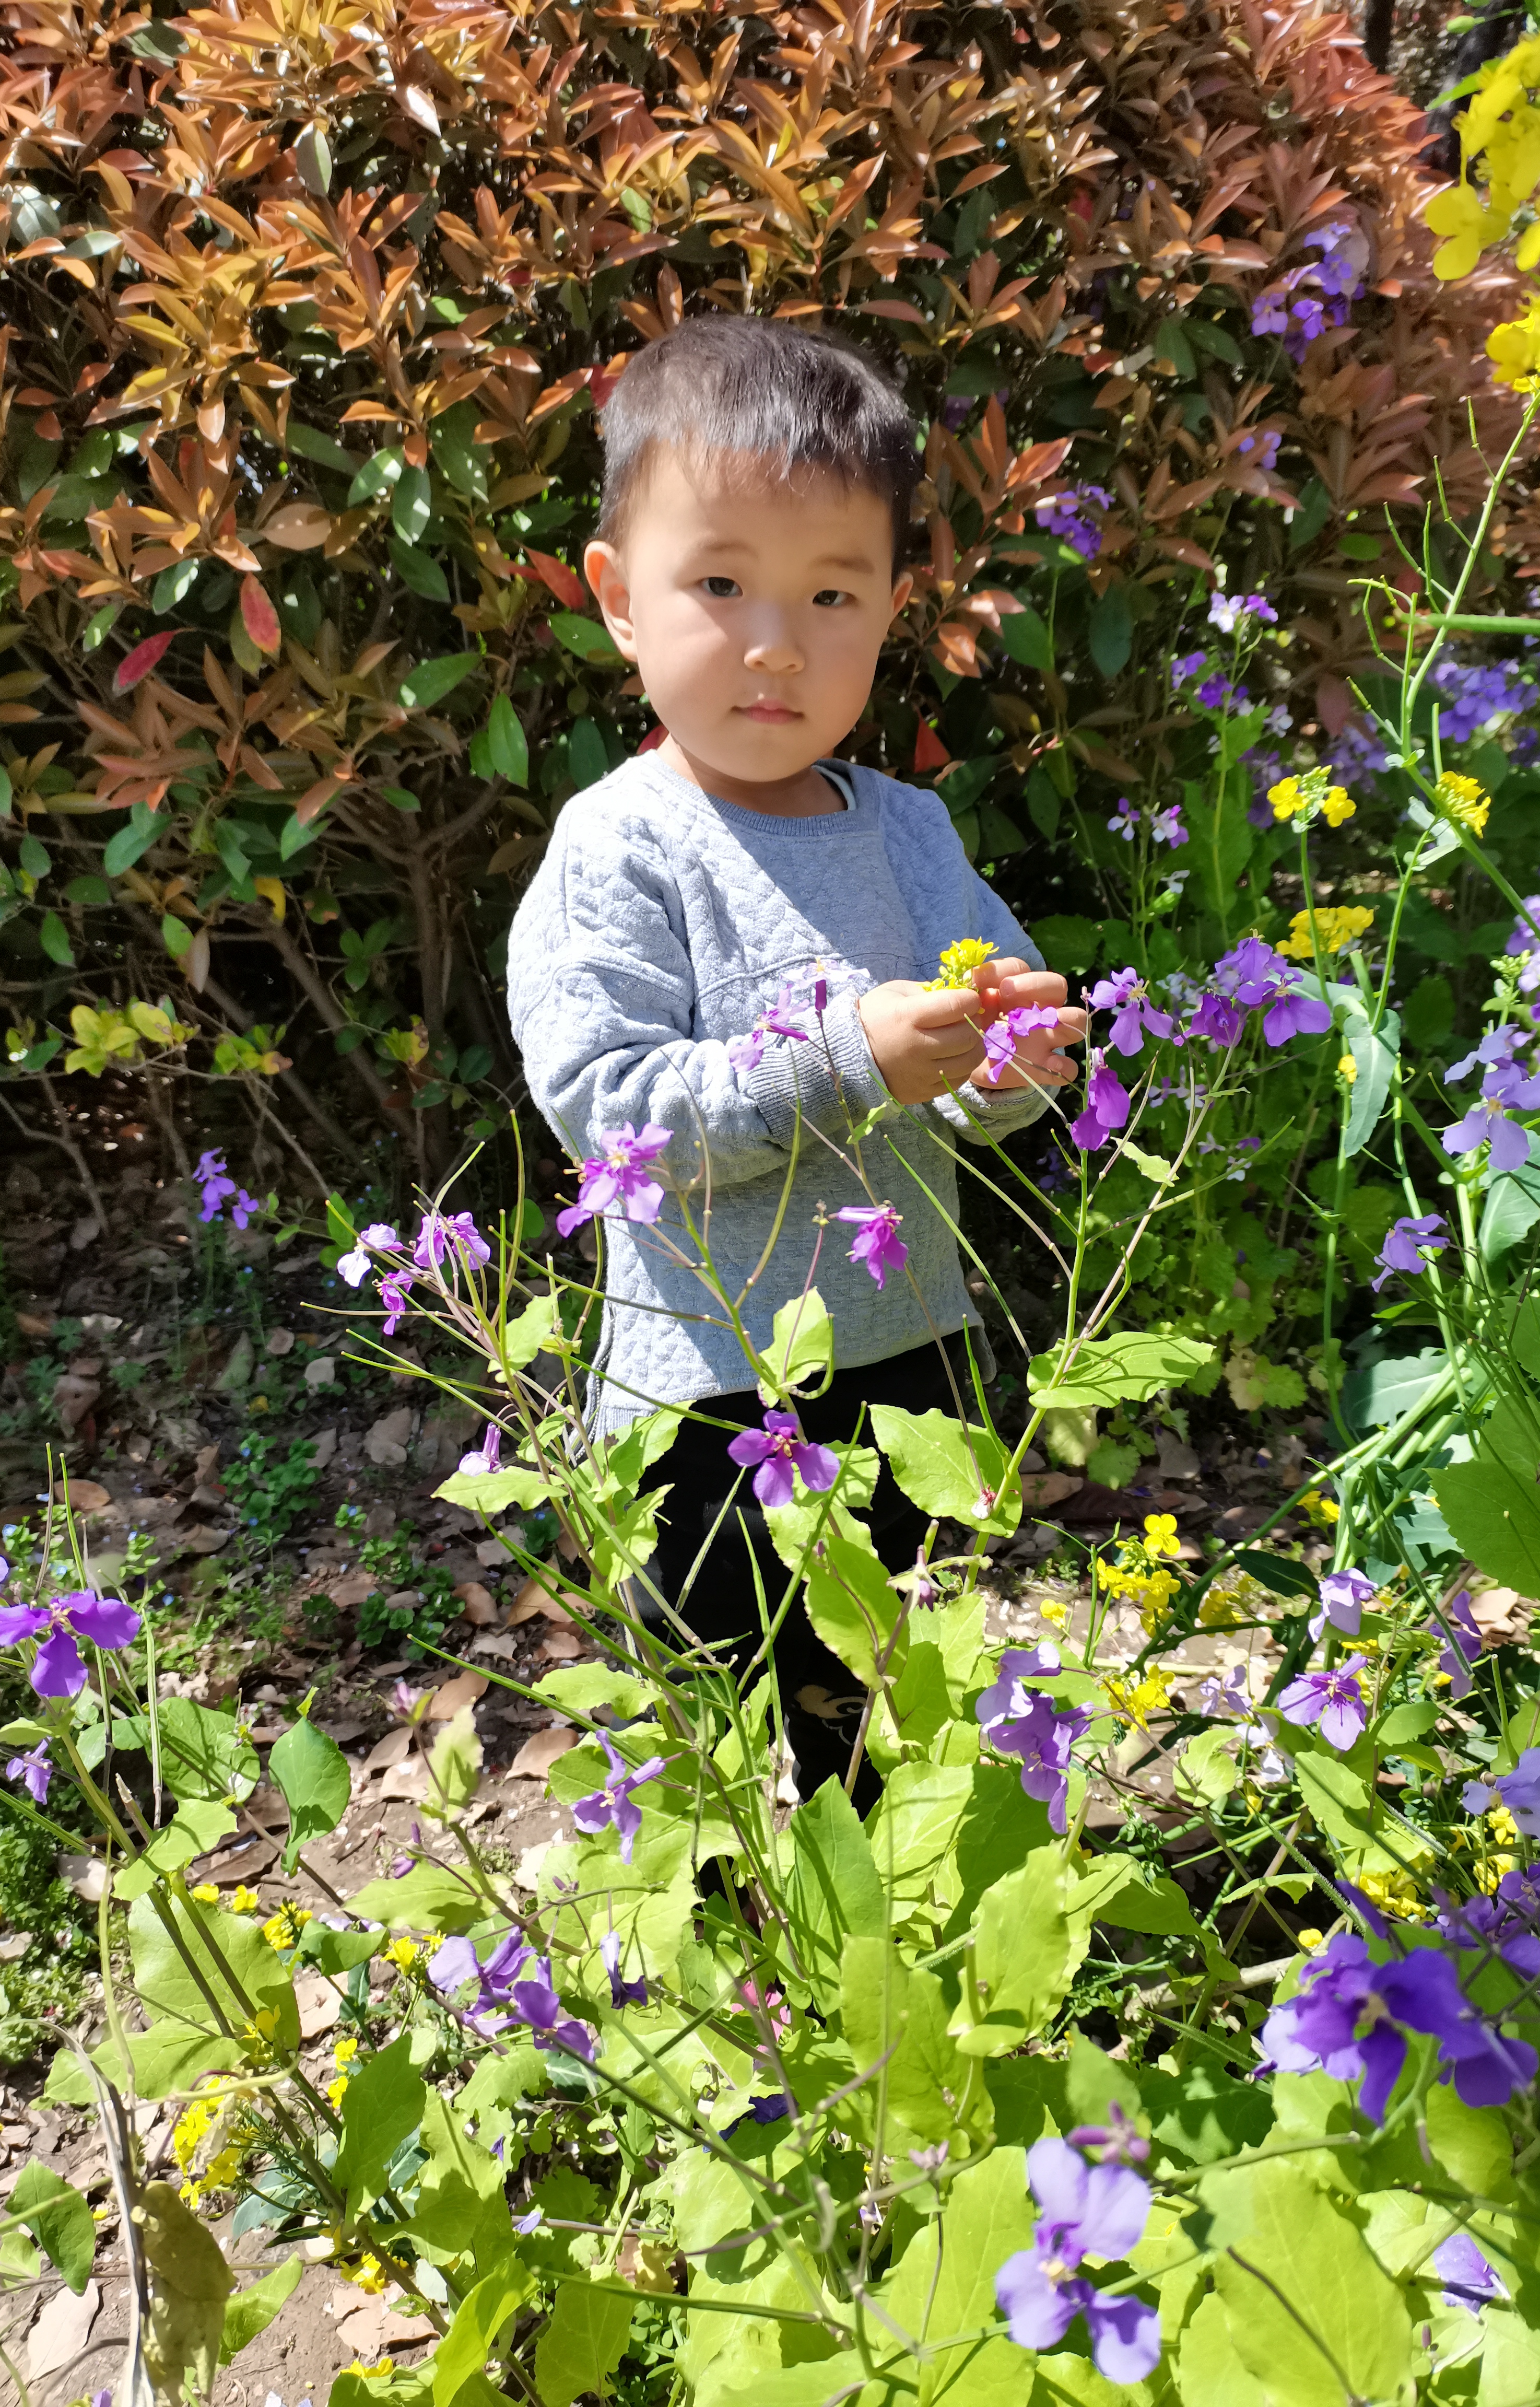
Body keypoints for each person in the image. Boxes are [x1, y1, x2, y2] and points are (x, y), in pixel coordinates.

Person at [507, 313, 1084, 1801]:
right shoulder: (620, 847)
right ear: (616, 598)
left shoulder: (912, 834)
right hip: (708, 1396)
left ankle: (891, 1899)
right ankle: (747, 1925)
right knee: (722, 1731)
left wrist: (1012, 1072)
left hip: (914, 1359)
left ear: (892, 607)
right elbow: (610, 1113)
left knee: (888, 1698)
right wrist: (851, 1061)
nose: (776, 644)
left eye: (832, 594)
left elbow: (979, 1077)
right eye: (720, 585)